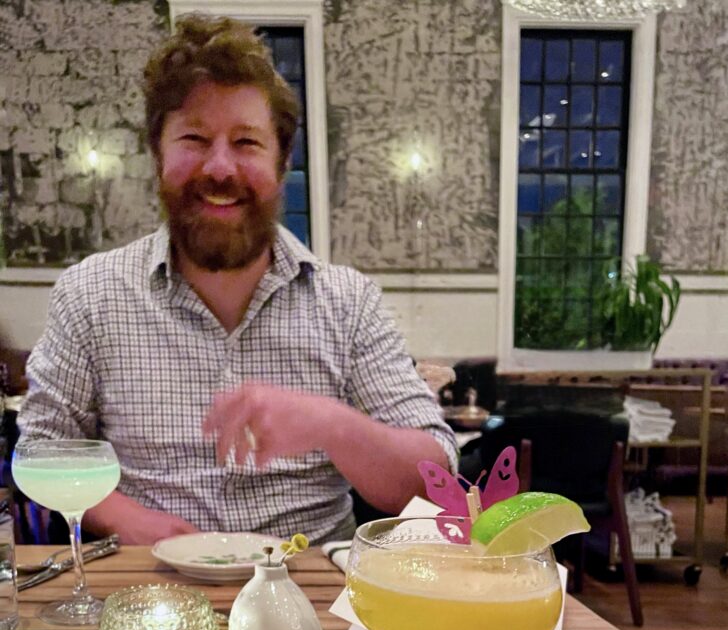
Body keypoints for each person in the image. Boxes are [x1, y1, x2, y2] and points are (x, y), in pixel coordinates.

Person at [18, 16, 456, 545]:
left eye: (247, 142)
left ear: (282, 162)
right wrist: (132, 521)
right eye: (194, 138)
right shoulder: (89, 293)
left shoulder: (349, 301)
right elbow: (42, 450)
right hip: (149, 589)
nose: (220, 167)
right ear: (158, 154)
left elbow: (435, 483)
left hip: (311, 591)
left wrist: (333, 424)